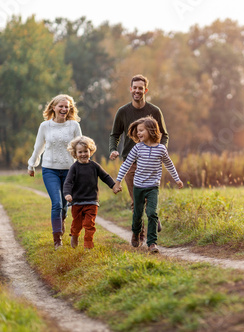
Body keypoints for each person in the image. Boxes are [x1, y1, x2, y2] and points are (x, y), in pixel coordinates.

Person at [109, 74, 168, 238]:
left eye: (140, 88)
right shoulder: (123, 112)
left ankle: (153, 217)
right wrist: (113, 149)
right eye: (134, 88)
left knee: (150, 198)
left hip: (150, 162)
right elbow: (115, 134)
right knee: (136, 201)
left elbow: (164, 135)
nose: (137, 91)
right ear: (130, 89)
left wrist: (160, 152)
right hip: (131, 162)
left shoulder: (154, 111)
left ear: (145, 90)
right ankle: (139, 234)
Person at [114, 116, 183, 253]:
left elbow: (169, 164)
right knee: (137, 215)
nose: (138, 133)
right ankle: (136, 232)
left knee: (152, 213)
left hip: (153, 187)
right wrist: (117, 181)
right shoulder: (137, 148)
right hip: (138, 186)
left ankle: (152, 243)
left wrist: (177, 179)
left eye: (141, 130)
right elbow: (126, 165)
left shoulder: (161, 149)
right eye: (137, 131)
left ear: (151, 130)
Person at [28, 94, 82, 250]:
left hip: (69, 171)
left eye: (67, 107)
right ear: (53, 107)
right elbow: (39, 147)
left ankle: (61, 221)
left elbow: (80, 145)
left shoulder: (73, 126)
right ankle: (57, 239)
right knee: (57, 203)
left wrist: (83, 166)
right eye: (61, 106)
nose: (64, 109)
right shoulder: (45, 126)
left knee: (64, 206)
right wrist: (32, 165)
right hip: (49, 169)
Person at [63, 136, 120, 249]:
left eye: (86, 151)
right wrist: (67, 194)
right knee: (77, 224)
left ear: (91, 151)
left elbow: (105, 176)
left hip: (92, 201)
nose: (83, 154)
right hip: (77, 202)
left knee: (89, 224)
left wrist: (113, 186)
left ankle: (88, 245)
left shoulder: (94, 166)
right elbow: (68, 182)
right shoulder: (74, 168)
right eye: (80, 152)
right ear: (75, 153)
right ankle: (74, 235)